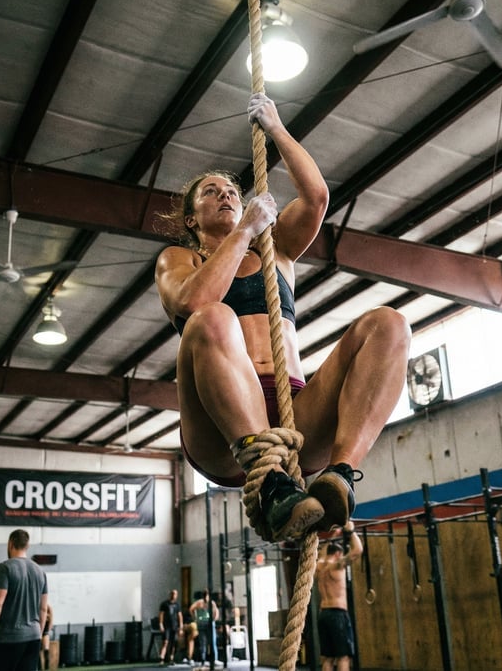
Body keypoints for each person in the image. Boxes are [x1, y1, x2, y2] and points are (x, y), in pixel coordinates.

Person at [154, 92, 411, 542]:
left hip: (297, 416)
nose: (226, 195)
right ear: (192, 219)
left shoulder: (277, 252)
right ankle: (271, 484)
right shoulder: (179, 258)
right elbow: (193, 303)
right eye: (210, 192)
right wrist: (246, 230)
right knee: (212, 318)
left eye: (232, 190)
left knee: (389, 323)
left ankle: (341, 476)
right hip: (222, 432)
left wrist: (276, 127)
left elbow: (315, 198)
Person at [0, 529, 48, 671]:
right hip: (33, 637)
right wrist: (38, 635)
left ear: (10, 543)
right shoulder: (40, 571)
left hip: (9, 638)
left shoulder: (5, 568)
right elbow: (43, 608)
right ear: (27, 546)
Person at [316, 523, 362, 671]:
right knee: (343, 657)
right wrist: (351, 531)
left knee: (328, 658)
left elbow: (323, 553)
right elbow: (357, 550)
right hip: (337, 614)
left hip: (323, 614)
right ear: (337, 555)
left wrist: (332, 538)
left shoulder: (319, 567)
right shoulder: (337, 565)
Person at [189, 591, 219, 663]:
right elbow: (191, 609)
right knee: (203, 642)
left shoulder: (211, 603)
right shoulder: (199, 603)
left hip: (209, 622)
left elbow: (216, 611)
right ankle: (203, 659)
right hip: (202, 623)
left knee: (212, 641)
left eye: (207, 596)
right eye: (204, 596)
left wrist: (214, 619)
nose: (206, 598)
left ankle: (214, 659)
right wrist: (195, 618)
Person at [158, 589, 182, 665]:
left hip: (174, 626)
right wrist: (161, 624)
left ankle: (171, 658)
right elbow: (161, 614)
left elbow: (180, 616)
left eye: (175, 594)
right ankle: (162, 658)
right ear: (170, 594)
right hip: (166, 626)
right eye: (172, 594)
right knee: (165, 642)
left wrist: (181, 626)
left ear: (176, 596)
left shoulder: (177, 605)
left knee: (173, 642)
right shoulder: (164, 604)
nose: (173, 595)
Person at [39, 603, 53, 670]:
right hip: (37, 632)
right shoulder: (36, 606)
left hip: (45, 632)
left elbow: (51, 621)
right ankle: (39, 668)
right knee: (37, 651)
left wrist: (47, 631)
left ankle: (46, 667)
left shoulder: (48, 607)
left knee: (46, 649)